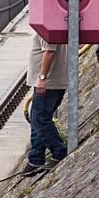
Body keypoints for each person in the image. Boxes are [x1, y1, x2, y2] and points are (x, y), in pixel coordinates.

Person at [20, 33, 69, 176]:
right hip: (53, 82)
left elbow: (49, 52)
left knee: (40, 120)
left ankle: (59, 151)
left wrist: (42, 78)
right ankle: (36, 158)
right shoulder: (56, 25)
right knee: (37, 120)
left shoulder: (48, 28)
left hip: (48, 83)